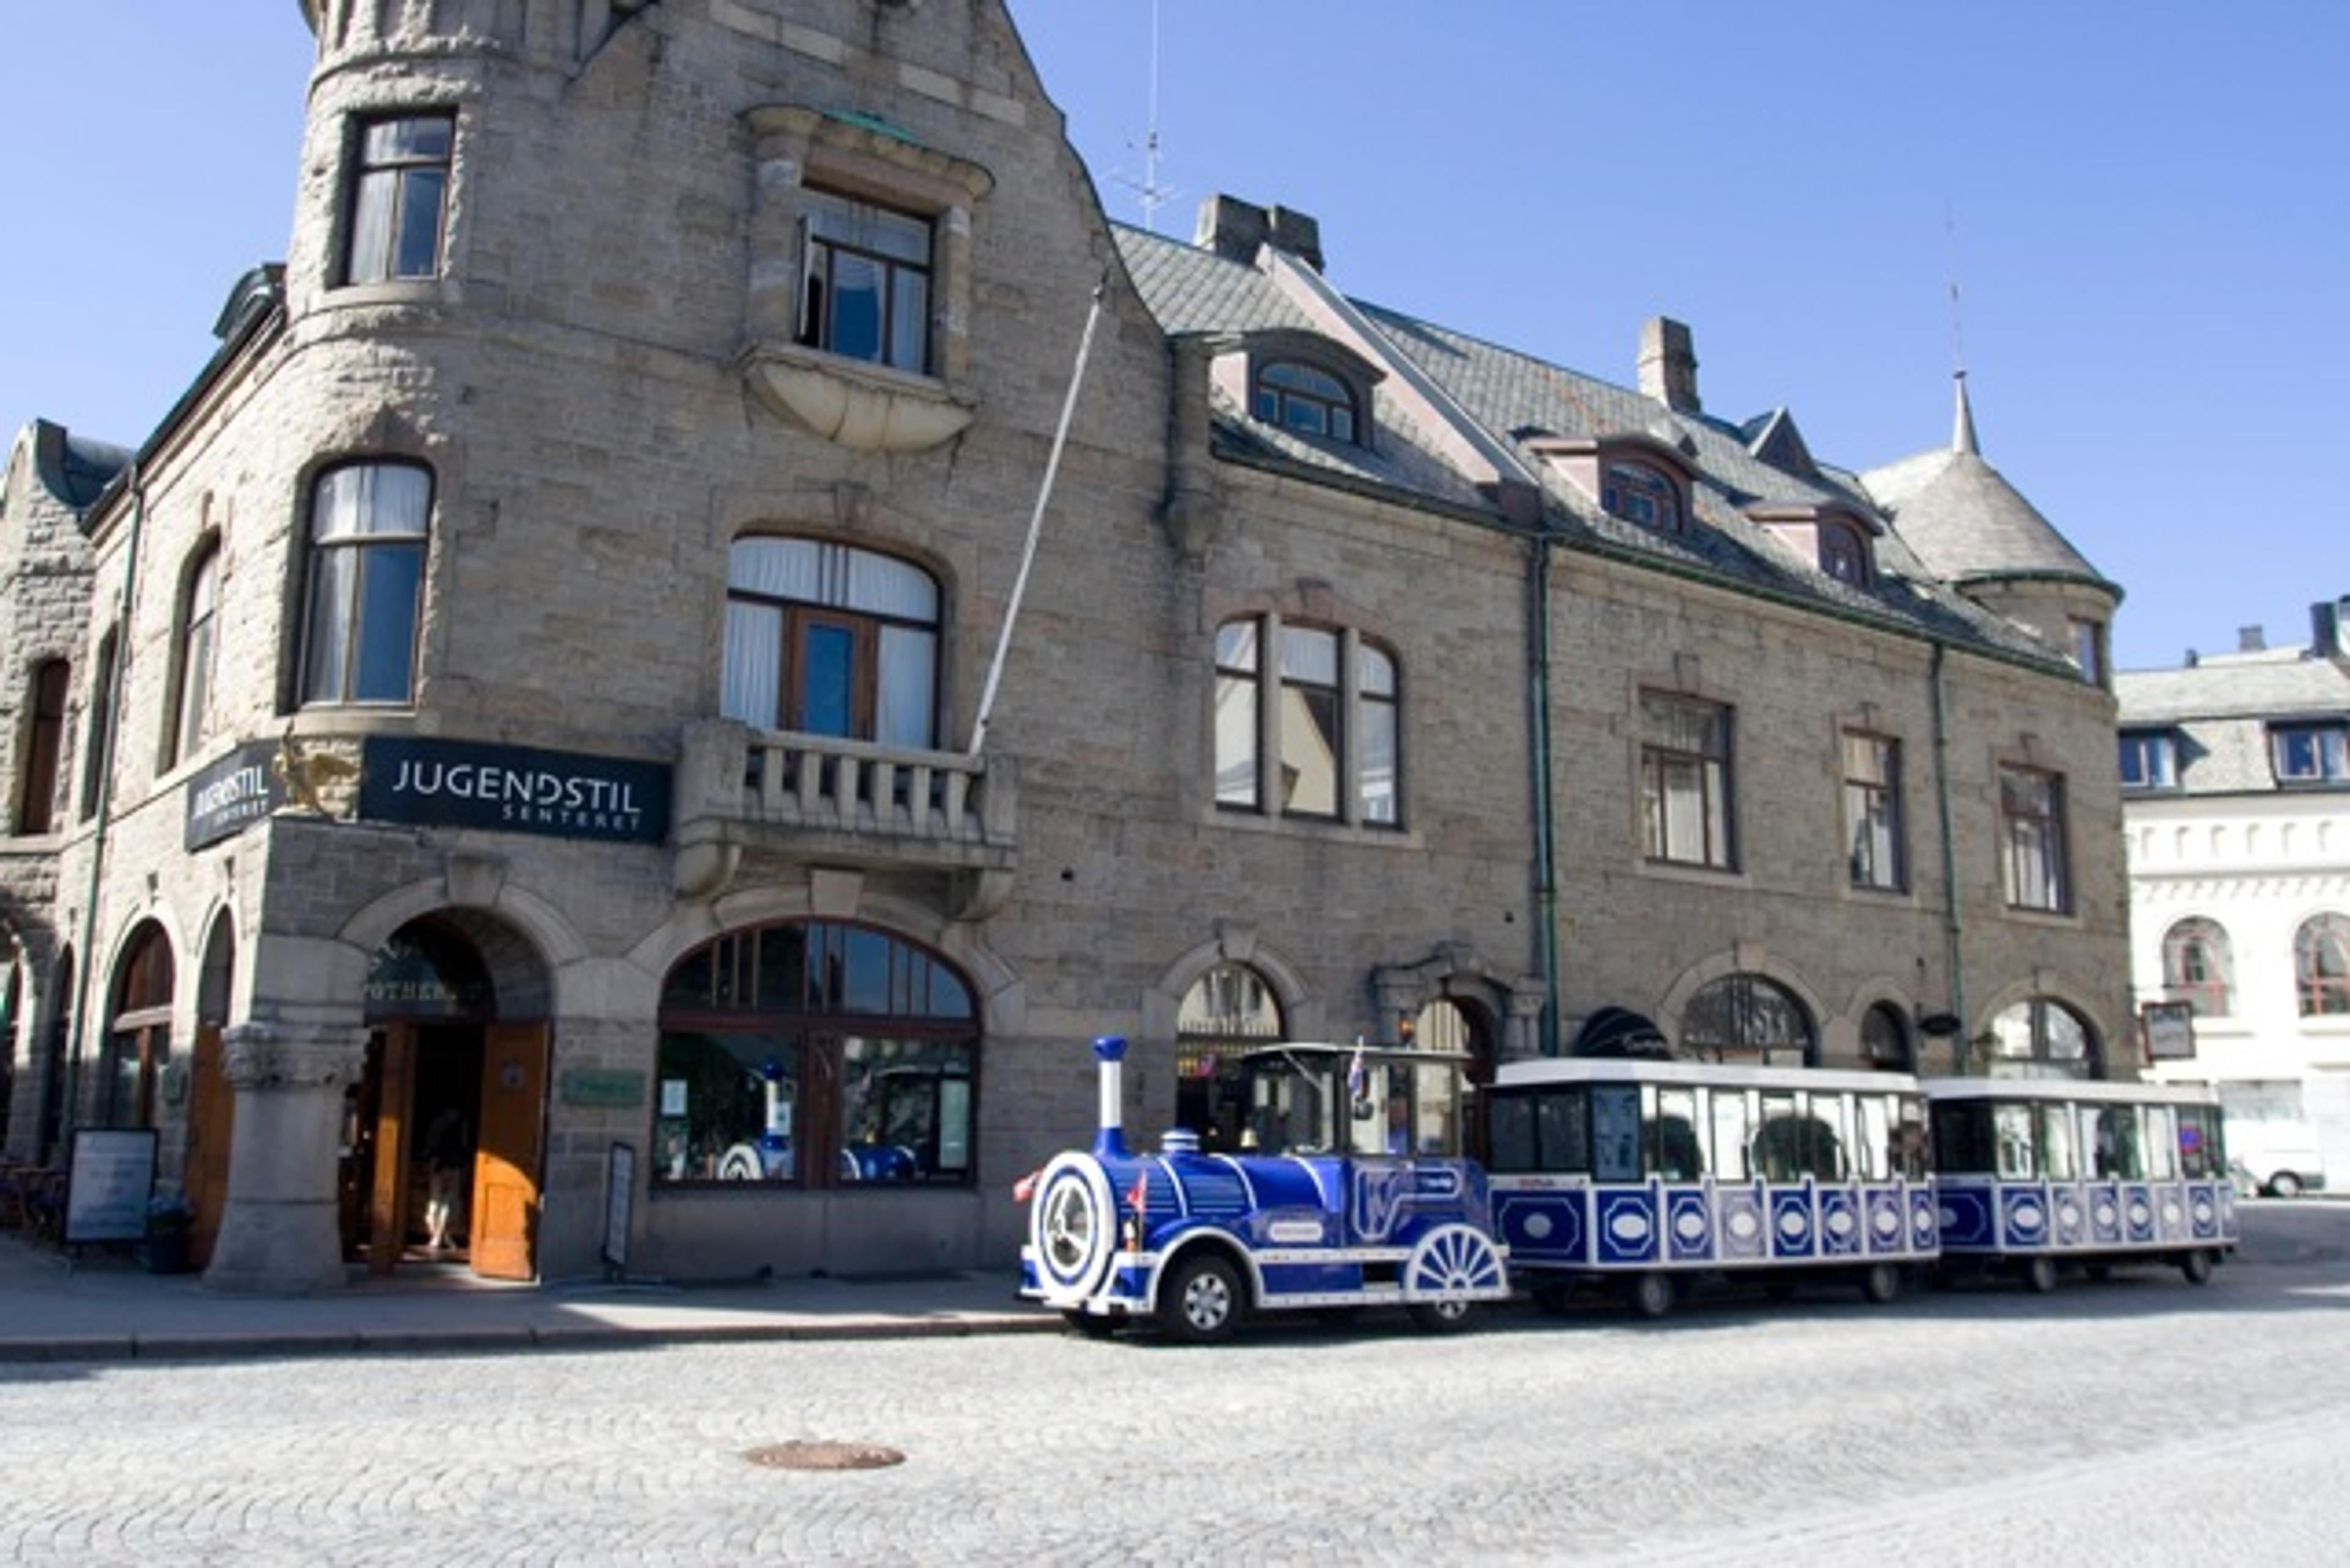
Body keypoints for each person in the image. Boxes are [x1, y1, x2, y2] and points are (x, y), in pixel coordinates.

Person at [422, 1104, 469, 1252]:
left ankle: (437, 1236)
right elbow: (463, 1145)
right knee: (445, 1202)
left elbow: (431, 1145)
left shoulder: (439, 1125)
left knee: (438, 1201)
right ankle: (441, 1235)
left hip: (442, 1165)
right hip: (450, 1165)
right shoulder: (460, 1125)